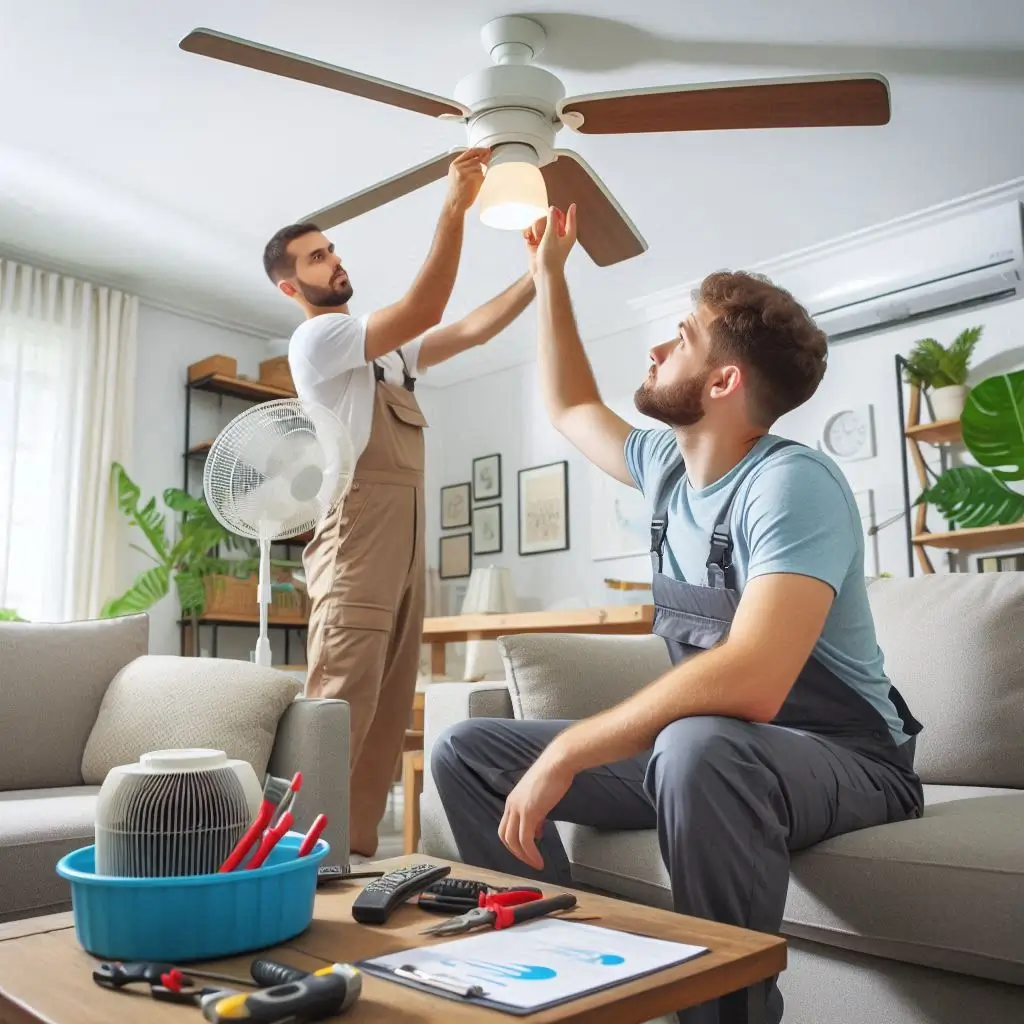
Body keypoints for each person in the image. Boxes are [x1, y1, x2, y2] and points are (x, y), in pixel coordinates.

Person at [430, 205, 925, 1024]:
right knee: (469, 750)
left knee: (695, 743)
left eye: (682, 337)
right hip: (716, 755)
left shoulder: (791, 483)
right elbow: (568, 405)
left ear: (724, 382)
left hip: (848, 760)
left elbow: (755, 680)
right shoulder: (664, 466)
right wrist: (550, 277)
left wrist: (571, 751)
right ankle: (560, 979)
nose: (658, 348)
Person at [262, 148, 538, 860]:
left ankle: (347, 863)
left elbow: (471, 328)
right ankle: (285, 859)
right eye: (316, 258)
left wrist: (542, 273)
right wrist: (454, 205)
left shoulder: (388, 356)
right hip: (356, 531)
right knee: (339, 700)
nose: (334, 262)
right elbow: (427, 305)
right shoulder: (319, 339)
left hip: (404, 536)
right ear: (292, 286)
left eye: (332, 249)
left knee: (386, 711)